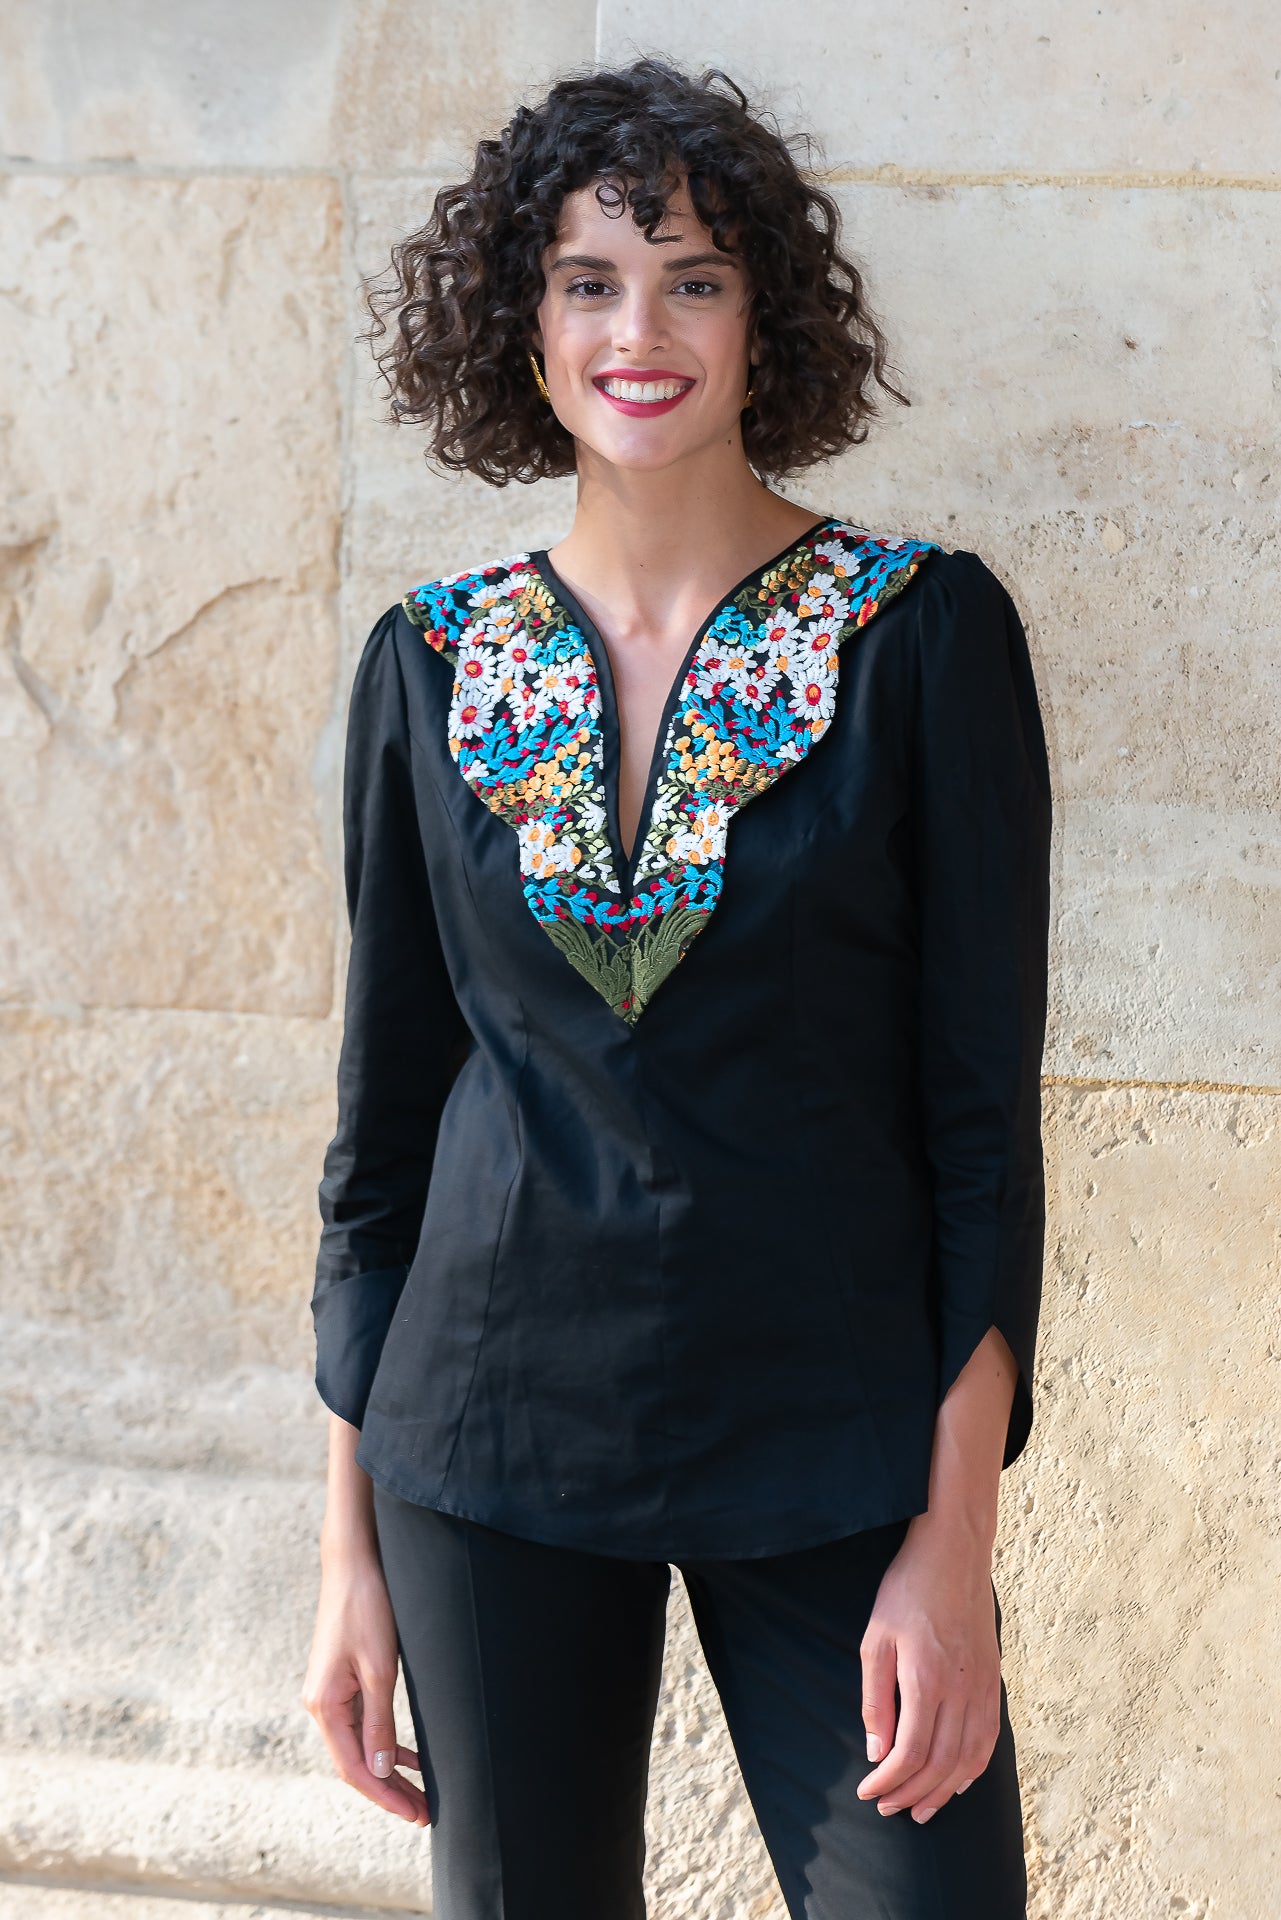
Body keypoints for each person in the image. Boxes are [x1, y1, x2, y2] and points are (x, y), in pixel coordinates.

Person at [300, 55, 1053, 1920]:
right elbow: (384, 1139)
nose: (638, 332)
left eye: (692, 280)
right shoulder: (429, 663)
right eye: (588, 282)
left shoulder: (918, 636)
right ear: (524, 326)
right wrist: (346, 1557)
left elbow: (978, 1131)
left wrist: (952, 1547)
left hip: (838, 1442)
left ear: (760, 318)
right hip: (483, 1444)